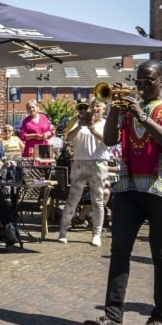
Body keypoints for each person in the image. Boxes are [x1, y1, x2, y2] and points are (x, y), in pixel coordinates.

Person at [85, 60, 162, 325]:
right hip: (128, 189)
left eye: (148, 80)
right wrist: (114, 109)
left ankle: (159, 317)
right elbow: (110, 140)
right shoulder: (129, 107)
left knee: (161, 255)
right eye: (139, 80)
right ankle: (113, 317)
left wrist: (142, 115)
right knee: (119, 252)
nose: (141, 85)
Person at [58, 99, 108, 247]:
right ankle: (63, 231)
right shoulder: (80, 122)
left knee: (97, 200)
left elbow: (108, 141)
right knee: (73, 199)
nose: (95, 108)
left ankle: (96, 234)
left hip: (98, 163)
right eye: (93, 106)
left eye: (98, 106)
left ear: (104, 109)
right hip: (80, 162)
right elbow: (68, 138)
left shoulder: (106, 124)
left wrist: (93, 129)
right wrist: (80, 126)